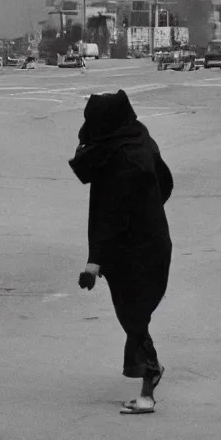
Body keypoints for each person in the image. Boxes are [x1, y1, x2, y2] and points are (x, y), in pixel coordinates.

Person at [69, 90, 173, 414]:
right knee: (133, 315)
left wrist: (93, 263)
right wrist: (151, 211)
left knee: (133, 314)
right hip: (143, 241)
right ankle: (151, 370)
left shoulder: (125, 160)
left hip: (139, 248)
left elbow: (110, 217)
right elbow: (166, 183)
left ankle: (149, 383)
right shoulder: (136, 140)